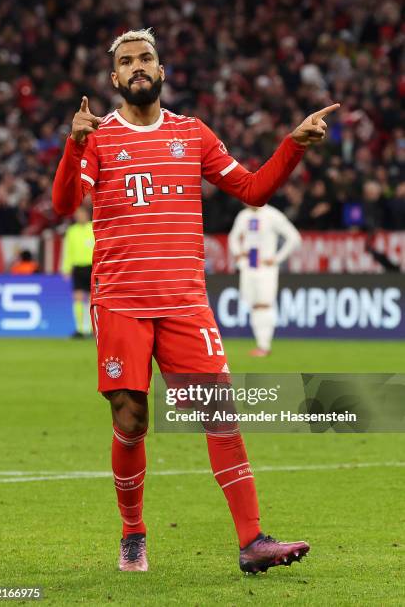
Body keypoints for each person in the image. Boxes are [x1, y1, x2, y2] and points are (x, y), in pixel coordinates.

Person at [52, 28, 339, 574]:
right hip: (121, 301)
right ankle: (133, 531)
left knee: (219, 414)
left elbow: (253, 190)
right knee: (132, 418)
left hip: (186, 302)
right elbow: (64, 203)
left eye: (147, 59)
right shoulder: (99, 137)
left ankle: (253, 541)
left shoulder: (193, 134)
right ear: (115, 78)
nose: (138, 67)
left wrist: (294, 143)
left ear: (161, 70)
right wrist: (74, 144)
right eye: (128, 62)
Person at [229, 205, 302, 356]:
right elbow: (233, 238)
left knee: (264, 304)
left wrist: (277, 258)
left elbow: (294, 238)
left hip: (265, 267)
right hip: (248, 267)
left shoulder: (272, 215)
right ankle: (261, 344)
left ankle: (264, 346)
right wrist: (238, 254)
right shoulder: (243, 215)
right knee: (254, 305)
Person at [61, 205, 95, 338]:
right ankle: (80, 329)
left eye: (81, 213)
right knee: (78, 298)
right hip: (78, 268)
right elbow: (67, 251)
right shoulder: (71, 231)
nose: (79, 216)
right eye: (77, 214)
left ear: (87, 215)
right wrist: (66, 268)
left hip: (93, 267)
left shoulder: (93, 227)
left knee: (93, 299)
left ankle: (93, 329)